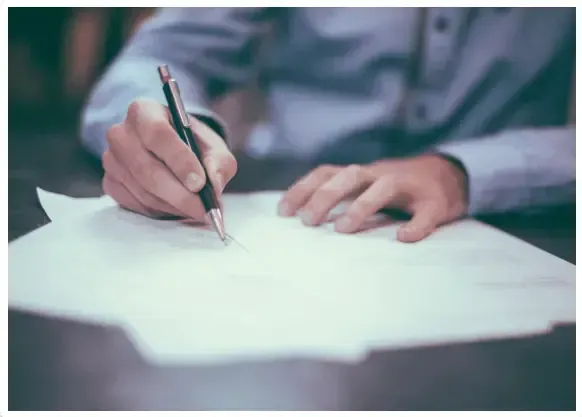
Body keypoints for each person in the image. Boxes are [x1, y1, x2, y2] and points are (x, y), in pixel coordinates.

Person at [81, 8, 575, 243]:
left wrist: (464, 172)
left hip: (519, 219)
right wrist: (167, 131)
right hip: (289, 202)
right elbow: (155, 60)